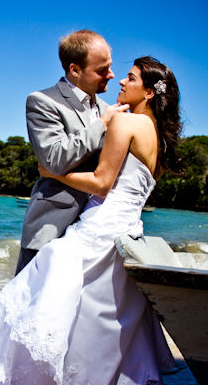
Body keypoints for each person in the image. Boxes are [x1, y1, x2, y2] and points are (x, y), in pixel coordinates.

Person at [0, 56, 182, 385]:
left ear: (149, 92)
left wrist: (52, 171)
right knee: (100, 321)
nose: (121, 80)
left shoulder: (126, 122)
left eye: (131, 78)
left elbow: (103, 183)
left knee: (46, 305)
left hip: (100, 227)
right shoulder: (160, 137)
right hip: (127, 232)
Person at [16, 30, 129, 274]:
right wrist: (102, 125)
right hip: (51, 226)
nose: (111, 75)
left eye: (109, 67)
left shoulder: (107, 109)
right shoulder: (42, 101)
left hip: (95, 232)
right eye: (101, 70)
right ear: (75, 70)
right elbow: (55, 160)